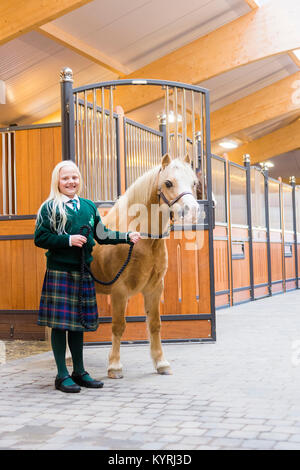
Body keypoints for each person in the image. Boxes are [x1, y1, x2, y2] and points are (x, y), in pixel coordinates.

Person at [34, 160, 141, 393]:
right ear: (57, 182)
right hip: (60, 272)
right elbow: (40, 237)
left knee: (78, 324)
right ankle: (62, 375)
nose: (71, 181)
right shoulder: (50, 207)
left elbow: (101, 234)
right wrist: (68, 240)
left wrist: (126, 236)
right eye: (65, 178)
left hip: (82, 273)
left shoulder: (89, 207)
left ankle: (79, 372)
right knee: (59, 325)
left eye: (74, 177)